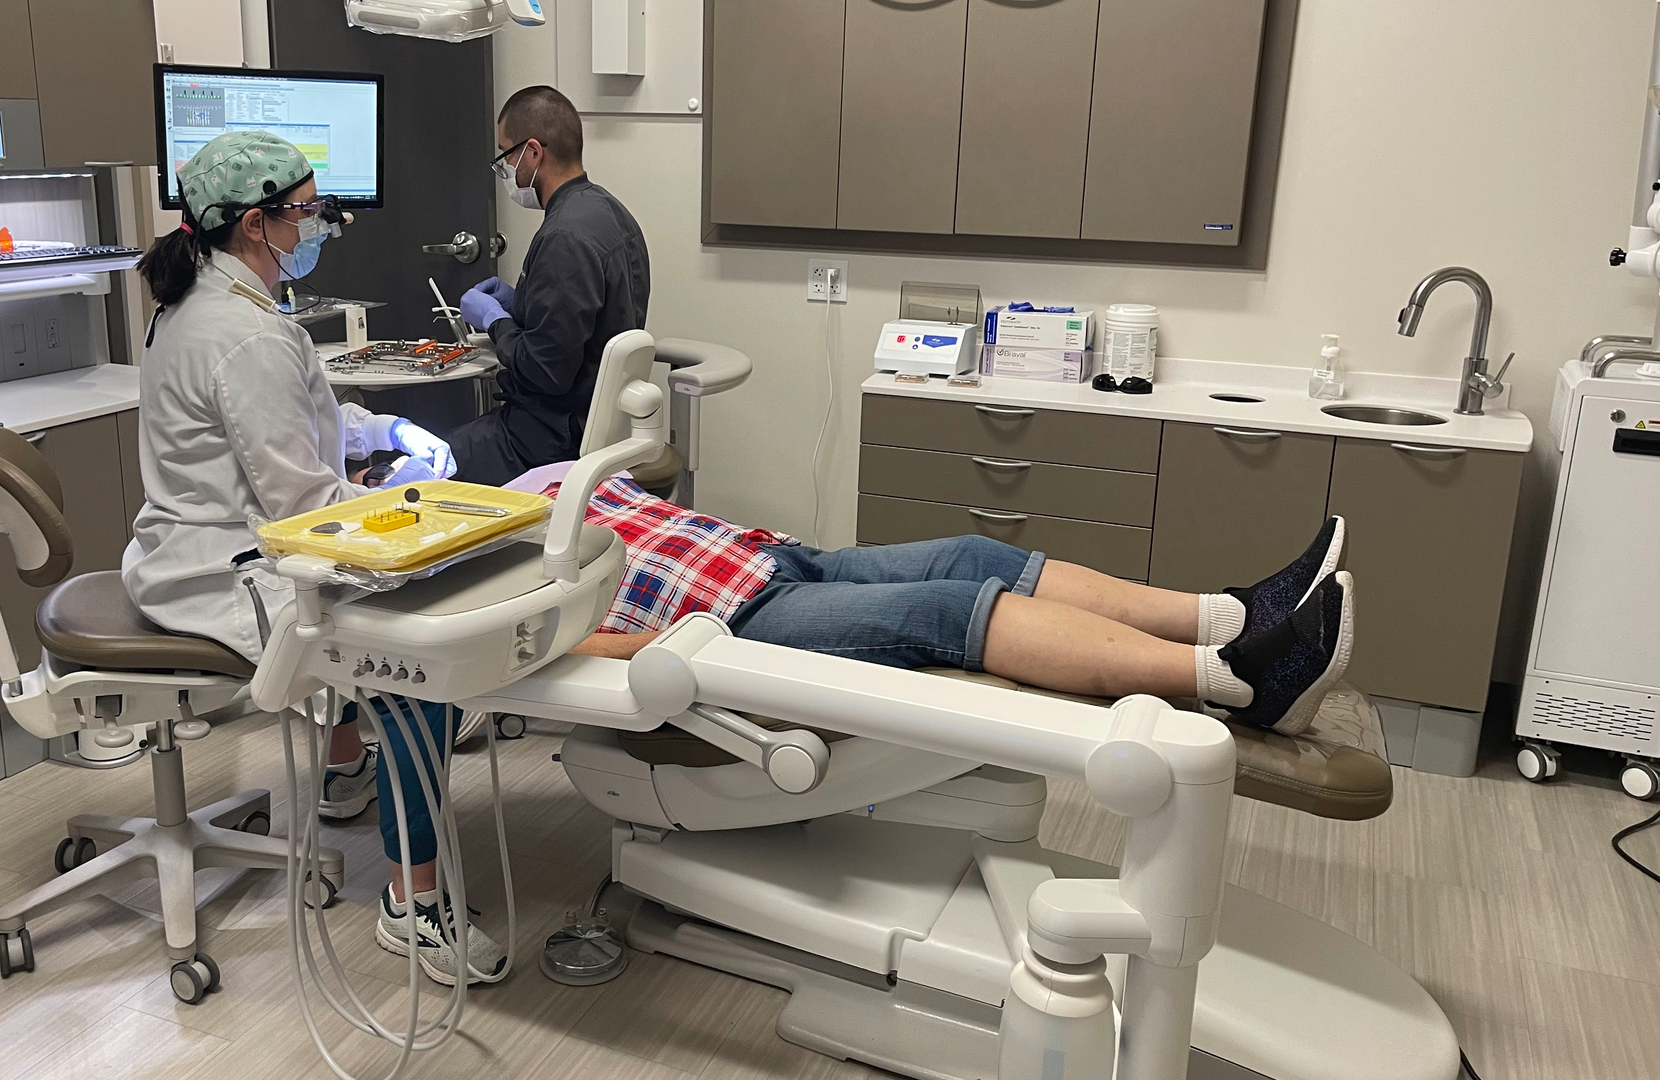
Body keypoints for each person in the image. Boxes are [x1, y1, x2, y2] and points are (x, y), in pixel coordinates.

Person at [323, 465, 1356, 986]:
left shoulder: (519, 485)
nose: (391, 478)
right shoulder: (448, 580)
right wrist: (664, 652)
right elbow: (536, 653)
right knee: (943, 614)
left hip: (770, 557)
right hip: (729, 627)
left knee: (970, 553)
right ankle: (1232, 682)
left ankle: (1230, 614)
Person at [120, 129, 505, 986]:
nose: (321, 225)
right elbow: (304, 513)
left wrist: (384, 429)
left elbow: (296, 419)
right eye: (307, 212)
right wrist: (398, 494)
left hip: (188, 550)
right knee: (416, 662)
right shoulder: (244, 334)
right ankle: (413, 904)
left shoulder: (204, 303)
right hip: (232, 576)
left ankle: (342, 775)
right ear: (255, 223)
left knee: (387, 605)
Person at [443, 86, 650, 486]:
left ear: (533, 153)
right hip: (587, 429)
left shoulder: (563, 238)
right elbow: (585, 322)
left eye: (506, 155)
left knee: (408, 465)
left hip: (544, 443)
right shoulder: (612, 213)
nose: (505, 169)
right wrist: (520, 302)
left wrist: (495, 321)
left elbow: (545, 371)